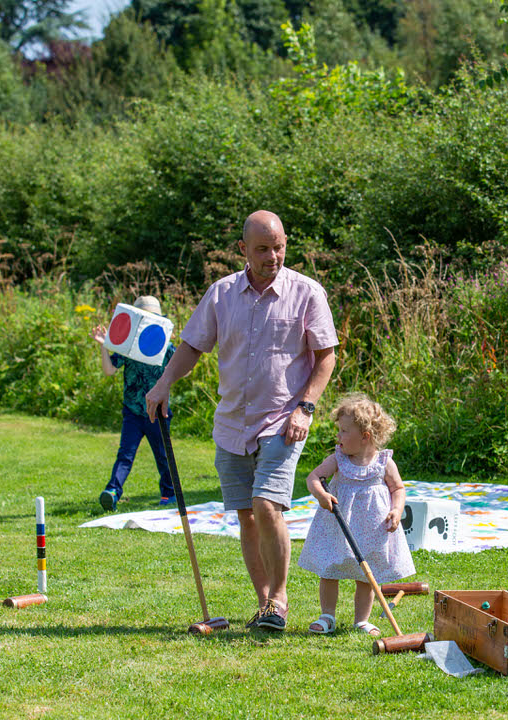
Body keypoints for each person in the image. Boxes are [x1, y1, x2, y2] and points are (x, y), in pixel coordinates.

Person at [145, 210, 338, 632]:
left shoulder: (307, 292)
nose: (274, 256)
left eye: (280, 246)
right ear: (243, 250)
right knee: (246, 514)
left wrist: (306, 407)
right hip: (232, 422)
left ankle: (280, 599)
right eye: (263, 249)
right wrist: (162, 385)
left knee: (267, 504)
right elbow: (193, 346)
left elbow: (326, 356)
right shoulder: (221, 293)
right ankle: (264, 602)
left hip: (284, 420)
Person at [298, 394, 414, 637]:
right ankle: (327, 615)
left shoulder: (384, 462)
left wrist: (397, 509)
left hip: (372, 528)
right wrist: (321, 494)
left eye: (343, 431)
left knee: (367, 574)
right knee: (330, 568)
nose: (337, 436)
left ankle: (361, 620)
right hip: (339, 525)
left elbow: (398, 488)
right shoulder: (338, 459)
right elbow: (313, 478)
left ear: (365, 437)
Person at [90, 295, 177, 512]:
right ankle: (112, 492)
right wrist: (104, 346)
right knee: (125, 455)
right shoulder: (127, 346)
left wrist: (170, 346)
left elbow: (183, 368)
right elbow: (110, 370)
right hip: (132, 411)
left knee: (163, 455)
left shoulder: (166, 347)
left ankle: (169, 493)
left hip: (158, 411)